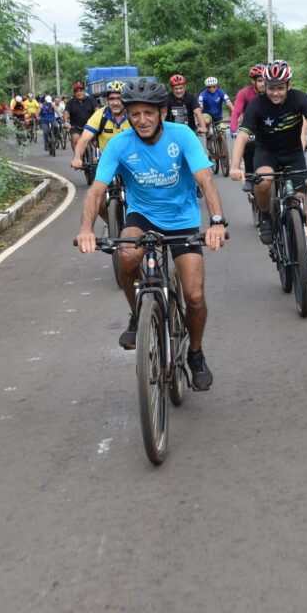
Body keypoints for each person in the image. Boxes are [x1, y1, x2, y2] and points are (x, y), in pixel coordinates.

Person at [75, 80, 227, 390]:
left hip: (182, 219)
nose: (141, 120)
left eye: (148, 113)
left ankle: (195, 354)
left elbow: (205, 179)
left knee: (194, 295)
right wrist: (86, 230)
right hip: (142, 216)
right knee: (127, 257)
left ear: (161, 112)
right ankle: (137, 314)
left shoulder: (181, 136)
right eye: (134, 114)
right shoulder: (119, 143)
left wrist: (217, 221)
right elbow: (97, 191)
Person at [228, 60, 307, 281]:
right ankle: (265, 216)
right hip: (266, 153)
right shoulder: (257, 105)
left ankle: (306, 257)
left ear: (288, 85)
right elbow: (242, 136)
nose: (275, 93)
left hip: (293, 154)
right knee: (264, 182)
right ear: (265, 86)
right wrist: (234, 166)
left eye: (280, 88)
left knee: (301, 202)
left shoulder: (300, 98)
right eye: (271, 87)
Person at [71, 81, 131, 191]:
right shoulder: (100, 115)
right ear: (107, 100)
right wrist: (77, 157)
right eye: (112, 99)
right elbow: (84, 139)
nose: (116, 103)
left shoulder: (132, 114)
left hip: (130, 159)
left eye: (119, 98)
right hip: (106, 159)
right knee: (98, 196)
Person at [230, 64, 265, 182]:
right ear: (253, 81)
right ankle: (250, 178)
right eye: (260, 81)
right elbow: (236, 112)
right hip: (250, 129)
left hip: (268, 128)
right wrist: (234, 129)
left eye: (265, 80)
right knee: (249, 147)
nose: (263, 84)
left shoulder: (272, 92)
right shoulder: (244, 93)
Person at [64, 82, 98, 156]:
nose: (79, 93)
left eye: (81, 90)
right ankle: (78, 157)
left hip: (90, 126)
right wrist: (66, 122)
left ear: (84, 91)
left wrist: (99, 119)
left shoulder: (91, 100)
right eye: (77, 91)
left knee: (97, 143)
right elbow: (66, 113)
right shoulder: (70, 102)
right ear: (74, 93)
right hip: (76, 128)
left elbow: (97, 110)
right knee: (74, 138)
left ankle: (101, 159)